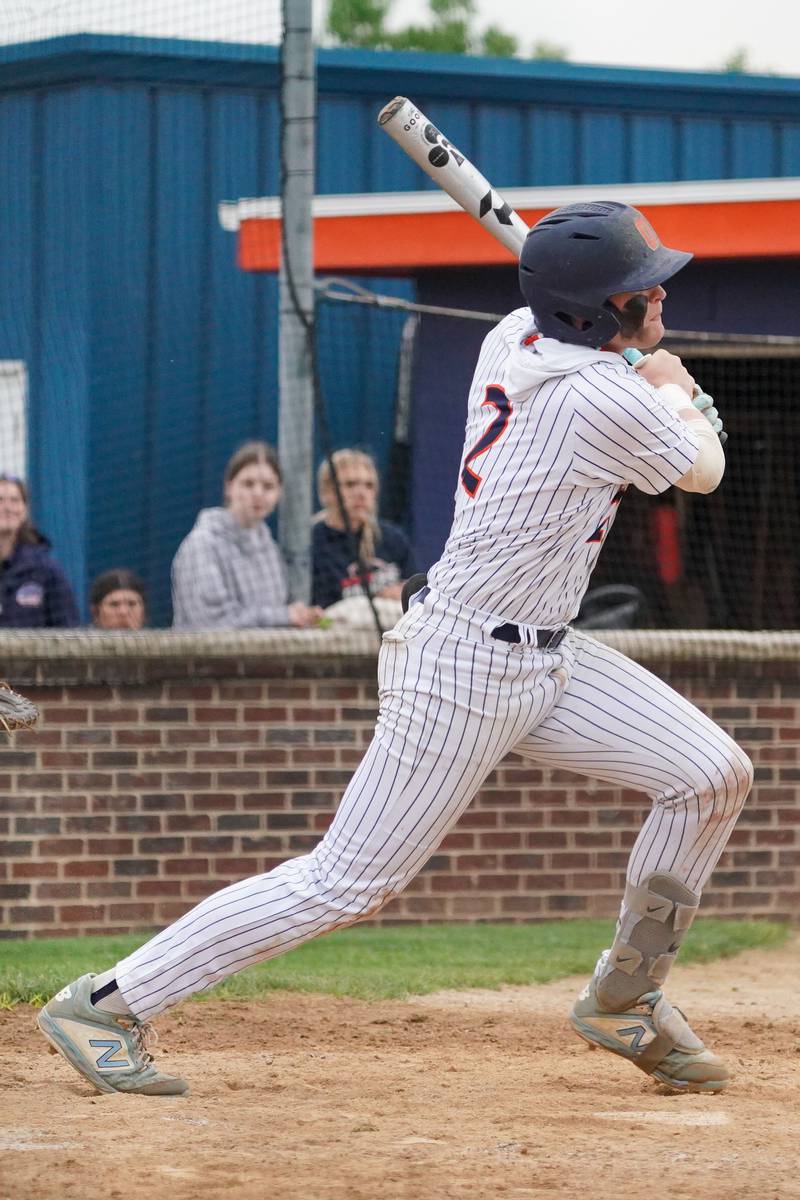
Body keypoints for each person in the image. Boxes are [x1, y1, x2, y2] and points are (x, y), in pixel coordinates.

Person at [38, 202, 752, 1100]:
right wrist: (679, 393)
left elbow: (630, 396)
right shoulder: (599, 398)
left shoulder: (511, 337)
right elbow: (705, 471)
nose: (657, 296)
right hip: (462, 664)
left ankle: (628, 994)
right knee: (346, 883)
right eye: (638, 289)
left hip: (549, 655)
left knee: (711, 774)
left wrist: (649, 378)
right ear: (595, 312)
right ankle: (104, 1003)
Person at [171, 441, 321, 630]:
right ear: (229, 487)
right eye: (248, 484)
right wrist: (284, 616)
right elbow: (210, 624)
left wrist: (301, 617)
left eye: (268, 486)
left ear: (279, 493)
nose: (258, 494)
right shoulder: (202, 545)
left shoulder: (269, 548)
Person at [312, 448, 414, 609]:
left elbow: (418, 591)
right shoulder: (313, 544)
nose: (361, 493)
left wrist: (405, 591)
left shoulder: (392, 538)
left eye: (369, 485)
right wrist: (379, 596)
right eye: (350, 484)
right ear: (327, 491)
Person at [0, 472, 79, 628]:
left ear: (25, 510)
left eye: (15, 500)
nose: (7, 507)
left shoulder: (45, 570)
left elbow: (68, 630)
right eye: (0, 500)